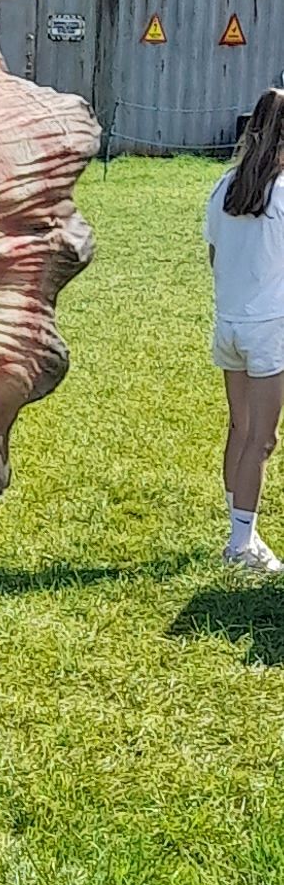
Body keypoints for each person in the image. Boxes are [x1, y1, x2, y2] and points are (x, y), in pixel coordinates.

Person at [204, 87, 284, 576]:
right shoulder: (281, 192)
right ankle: (241, 544)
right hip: (268, 329)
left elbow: (214, 257)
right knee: (263, 439)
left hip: (229, 324)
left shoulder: (225, 187)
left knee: (239, 430)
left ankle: (239, 535)